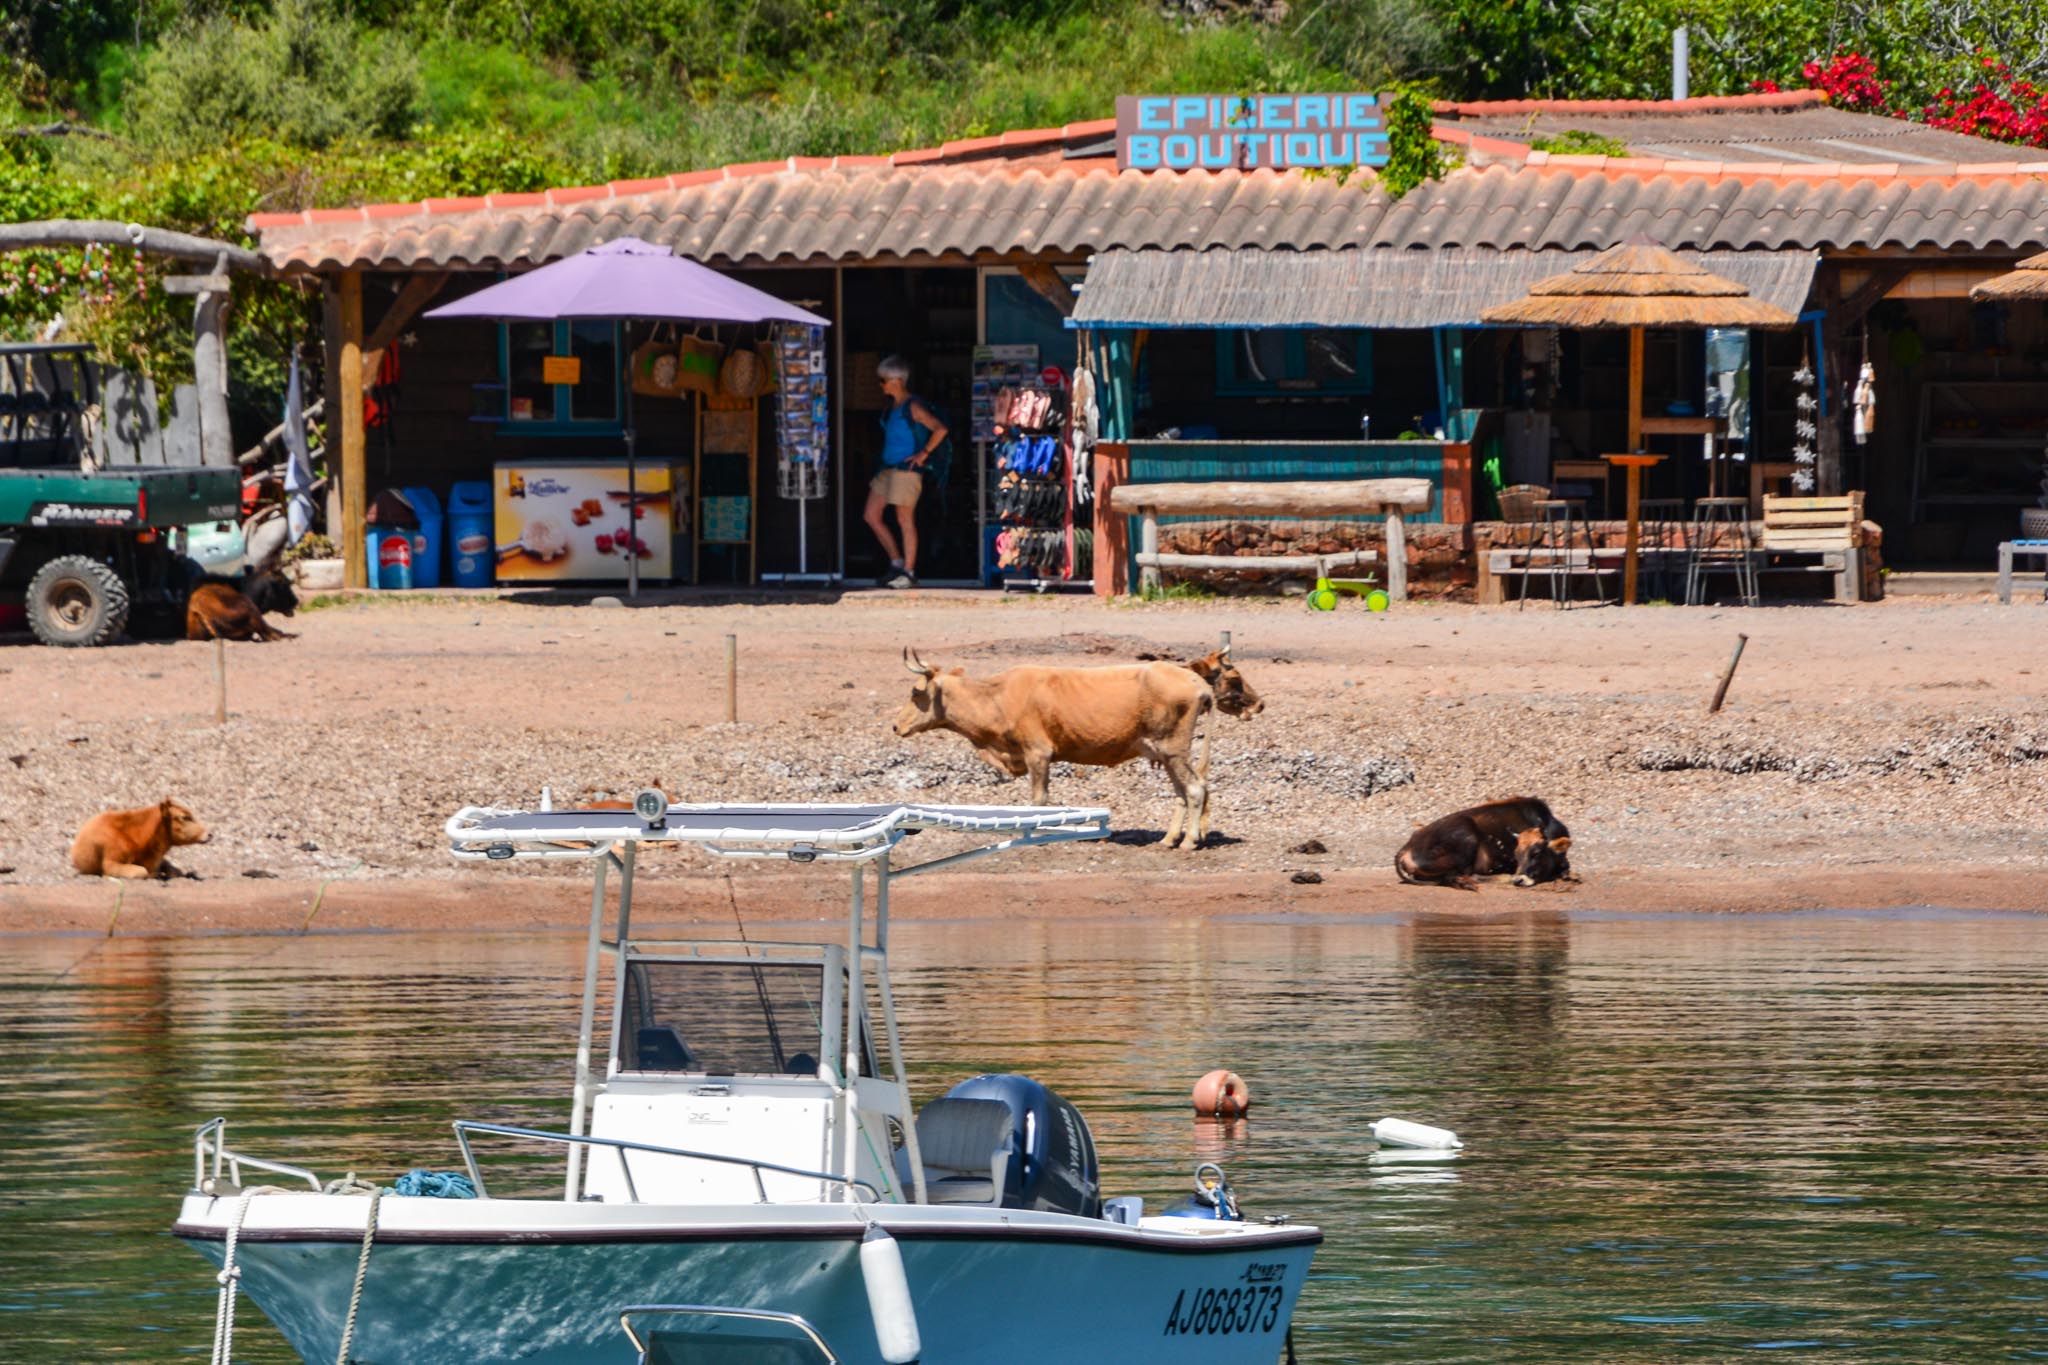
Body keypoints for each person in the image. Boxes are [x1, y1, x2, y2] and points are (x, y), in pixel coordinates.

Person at [864, 355, 948, 588]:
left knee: (904, 519)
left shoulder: (913, 406)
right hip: (888, 468)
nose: (880, 384)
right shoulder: (893, 407)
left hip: (906, 470)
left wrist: (924, 454)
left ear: (898, 380)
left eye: (884, 380)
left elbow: (940, 429)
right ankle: (897, 562)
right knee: (871, 515)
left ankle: (909, 572)